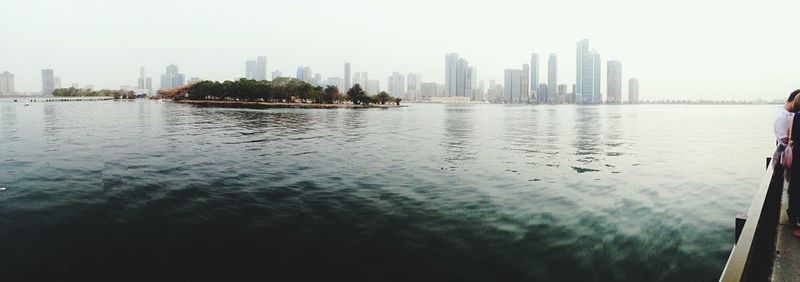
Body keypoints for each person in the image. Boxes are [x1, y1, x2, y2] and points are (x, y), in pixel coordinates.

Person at [786, 91, 800, 237]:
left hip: (797, 154)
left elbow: (789, 134)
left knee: (795, 186)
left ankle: (794, 218)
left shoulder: (792, 117)